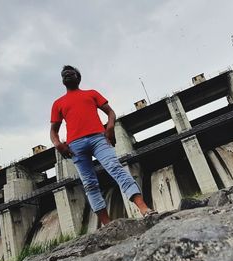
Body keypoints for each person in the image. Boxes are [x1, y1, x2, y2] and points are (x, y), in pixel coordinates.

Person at [50, 65, 156, 225]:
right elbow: (53, 131)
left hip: (99, 139)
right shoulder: (58, 103)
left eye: (70, 73)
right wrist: (58, 144)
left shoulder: (91, 94)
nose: (67, 75)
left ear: (78, 78)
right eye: (64, 74)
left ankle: (144, 208)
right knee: (89, 183)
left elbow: (110, 113)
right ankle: (107, 224)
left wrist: (110, 127)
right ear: (62, 81)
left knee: (116, 168)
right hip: (75, 146)